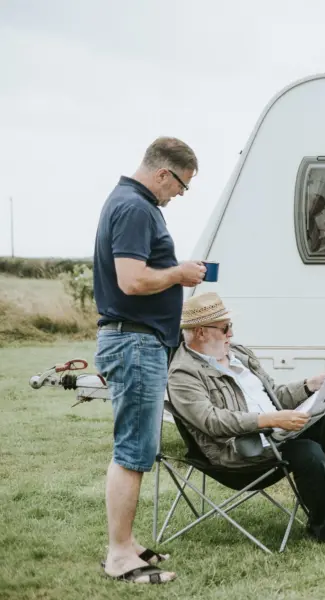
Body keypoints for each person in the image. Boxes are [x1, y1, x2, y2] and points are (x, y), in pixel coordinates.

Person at [167, 292, 325, 543]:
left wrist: (310, 385)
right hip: (241, 450)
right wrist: (269, 420)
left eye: (230, 326)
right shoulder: (183, 373)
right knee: (307, 452)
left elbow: (274, 394)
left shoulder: (240, 354)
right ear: (201, 333)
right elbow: (212, 422)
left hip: (274, 433)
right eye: (225, 328)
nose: (231, 334)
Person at [93, 137, 206, 584]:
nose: (179, 194)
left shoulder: (128, 203)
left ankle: (127, 542)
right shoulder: (137, 208)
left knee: (136, 447)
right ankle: (120, 554)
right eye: (181, 185)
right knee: (134, 451)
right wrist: (179, 273)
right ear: (162, 173)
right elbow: (132, 280)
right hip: (135, 342)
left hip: (137, 341)